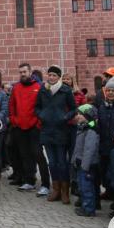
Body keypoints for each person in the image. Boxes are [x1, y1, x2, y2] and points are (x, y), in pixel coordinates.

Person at [36, 65, 78, 203]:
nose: (51, 77)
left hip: (61, 130)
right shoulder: (43, 89)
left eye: (54, 75)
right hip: (47, 130)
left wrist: (65, 117)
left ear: (59, 77)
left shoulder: (65, 90)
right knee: (52, 163)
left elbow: (73, 109)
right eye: (50, 75)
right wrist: (41, 115)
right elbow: (37, 107)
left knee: (62, 163)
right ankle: (56, 189)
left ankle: (65, 191)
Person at [7, 63, 42, 191]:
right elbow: (11, 105)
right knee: (23, 154)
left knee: (34, 154)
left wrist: (38, 122)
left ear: (30, 72)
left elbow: (41, 106)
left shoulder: (38, 87)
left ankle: (33, 179)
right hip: (19, 126)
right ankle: (26, 180)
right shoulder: (16, 87)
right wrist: (13, 120)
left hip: (34, 126)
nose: (22, 74)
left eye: (24, 72)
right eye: (20, 72)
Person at [71, 104, 100, 217]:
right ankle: (85, 206)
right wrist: (74, 160)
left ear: (88, 116)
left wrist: (85, 165)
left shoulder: (91, 130)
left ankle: (89, 209)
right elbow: (78, 147)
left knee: (87, 187)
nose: (77, 116)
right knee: (82, 187)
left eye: (80, 114)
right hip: (81, 163)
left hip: (87, 165)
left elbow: (89, 149)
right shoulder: (83, 128)